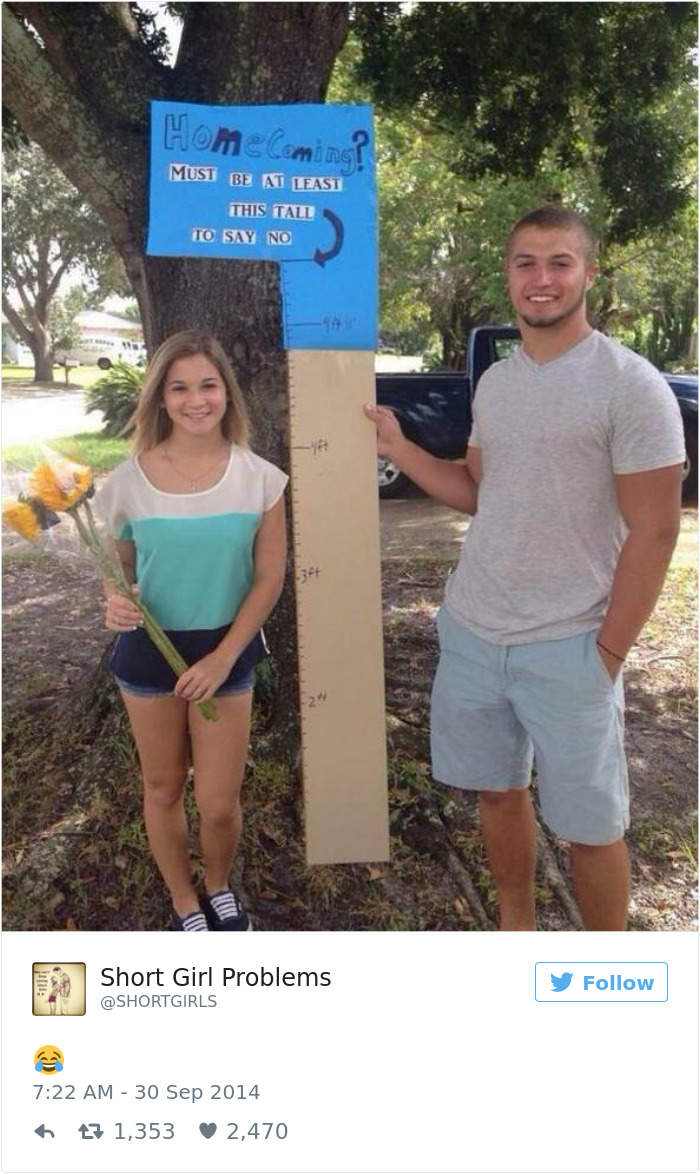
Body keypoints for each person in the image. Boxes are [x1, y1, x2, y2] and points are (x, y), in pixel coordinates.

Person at [365, 206, 685, 932]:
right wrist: (399, 446)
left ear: (588, 275)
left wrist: (606, 654)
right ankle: (518, 933)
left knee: (591, 827)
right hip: (475, 632)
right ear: (507, 275)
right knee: (497, 793)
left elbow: (658, 529)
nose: (542, 279)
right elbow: (480, 494)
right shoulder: (498, 385)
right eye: (526, 263)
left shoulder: (630, 385)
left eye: (559, 262)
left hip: (571, 643)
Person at [97, 330, 287, 932]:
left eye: (208, 385)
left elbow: (269, 579)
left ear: (227, 393)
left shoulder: (261, 479)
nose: (195, 399)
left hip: (225, 655)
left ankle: (218, 884)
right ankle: (184, 901)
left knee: (220, 804)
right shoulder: (127, 481)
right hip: (149, 656)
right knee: (162, 788)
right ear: (160, 398)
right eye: (179, 388)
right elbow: (120, 571)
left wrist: (224, 658)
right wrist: (115, 600)